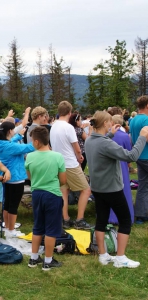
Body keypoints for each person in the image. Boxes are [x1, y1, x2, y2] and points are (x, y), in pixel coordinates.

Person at [85, 111, 148, 268]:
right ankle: (120, 258)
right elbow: (131, 156)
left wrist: (111, 135)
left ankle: (103, 255)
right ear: (106, 123)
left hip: (98, 188)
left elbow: (101, 146)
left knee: (101, 220)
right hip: (112, 189)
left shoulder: (90, 140)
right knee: (125, 220)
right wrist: (142, 137)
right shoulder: (106, 143)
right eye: (110, 122)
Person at [26, 126, 66, 271]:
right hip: (52, 194)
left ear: (36, 142)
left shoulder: (30, 157)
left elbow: (30, 177)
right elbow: (63, 179)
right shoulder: (57, 157)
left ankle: (34, 258)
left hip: (36, 194)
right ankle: (48, 261)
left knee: (38, 226)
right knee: (51, 229)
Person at [50, 101, 91, 230]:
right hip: (70, 163)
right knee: (86, 190)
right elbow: (76, 147)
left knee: (64, 191)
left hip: (58, 163)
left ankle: (66, 219)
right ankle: (80, 219)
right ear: (69, 113)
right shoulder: (68, 127)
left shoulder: (53, 126)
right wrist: (79, 157)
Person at [0, 122, 34, 237]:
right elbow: (27, 147)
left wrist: (19, 136)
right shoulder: (10, 146)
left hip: (6, 178)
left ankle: (7, 227)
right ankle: (11, 230)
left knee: (7, 203)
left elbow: (11, 142)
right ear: (9, 131)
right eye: (14, 130)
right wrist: (39, 141)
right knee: (14, 205)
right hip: (16, 177)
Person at [108, 115, 134, 224]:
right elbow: (129, 152)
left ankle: (110, 216)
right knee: (124, 189)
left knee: (109, 190)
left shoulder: (106, 135)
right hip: (122, 164)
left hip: (108, 165)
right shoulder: (124, 136)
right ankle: (126, 216)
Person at [129, 95, 148, 224]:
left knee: (142, 186)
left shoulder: (133, 120)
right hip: (147, 155)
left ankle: (141, 215)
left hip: (139, 156)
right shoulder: (146, 120)